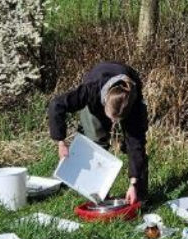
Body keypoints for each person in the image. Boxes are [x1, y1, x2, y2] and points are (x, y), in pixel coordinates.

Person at [47, 61, 149, 205]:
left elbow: (136, 146)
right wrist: (61, 141)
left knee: (134, 145)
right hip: (96, 99)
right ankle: (98, 193)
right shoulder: (90, 90)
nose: (113, 124)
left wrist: (134, 183)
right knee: (97, 142)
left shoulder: (134, 106)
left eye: (117, 120)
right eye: (111, 118)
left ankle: (139, 196)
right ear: (106, 100)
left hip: (128, 105)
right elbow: (56, 105)